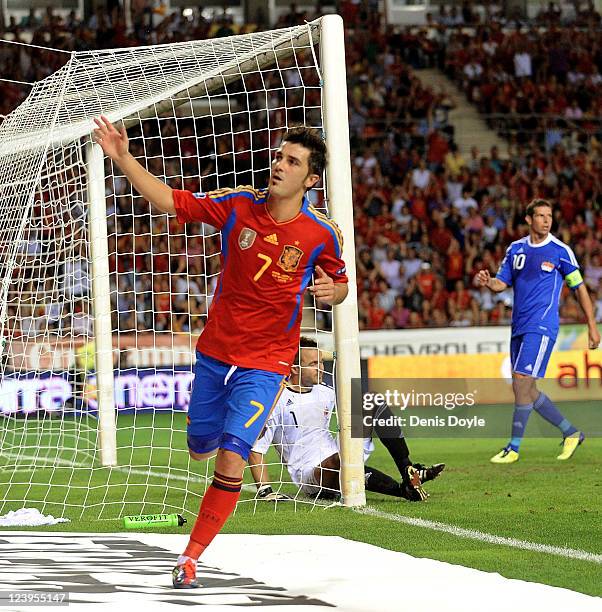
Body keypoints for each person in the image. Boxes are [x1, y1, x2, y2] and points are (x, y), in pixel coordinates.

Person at [92, 116, 349, 588]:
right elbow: (172, 200)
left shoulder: (321, 233)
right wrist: (123, 157)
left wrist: (333, 293)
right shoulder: (238, 205)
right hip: (215, 353)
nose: (278, 165)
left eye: (291, 162)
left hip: (268, 362)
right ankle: (206, 445)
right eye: (278, 156)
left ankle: (190, 557)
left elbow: (340, 284)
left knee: (233, 455)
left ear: (311, 179)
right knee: (199, 448)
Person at [476, 199, 600, 464]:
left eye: (549, 216)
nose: (546, 220)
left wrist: (591, 326)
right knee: (526, 390)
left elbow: (579, 289)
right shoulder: (516, 249)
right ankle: (571, 433)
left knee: (521, 381)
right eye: (541, 216)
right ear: (529, 219)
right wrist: (488, 283)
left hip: (542, 325)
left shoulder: (560, 251)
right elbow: (501, 284)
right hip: (518, 326)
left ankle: (514, 447)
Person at [249, 337, 445, 501]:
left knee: (371, 400)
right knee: (341, 461)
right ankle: (403, 488)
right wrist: (265, 490)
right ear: (294, 369)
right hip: (309, 473)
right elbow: (256, 448)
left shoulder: (325, 392)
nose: (321, 368)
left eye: (321, 362)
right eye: (313, 364)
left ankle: (408, 471)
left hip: (336, 454)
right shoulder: (277, 400)